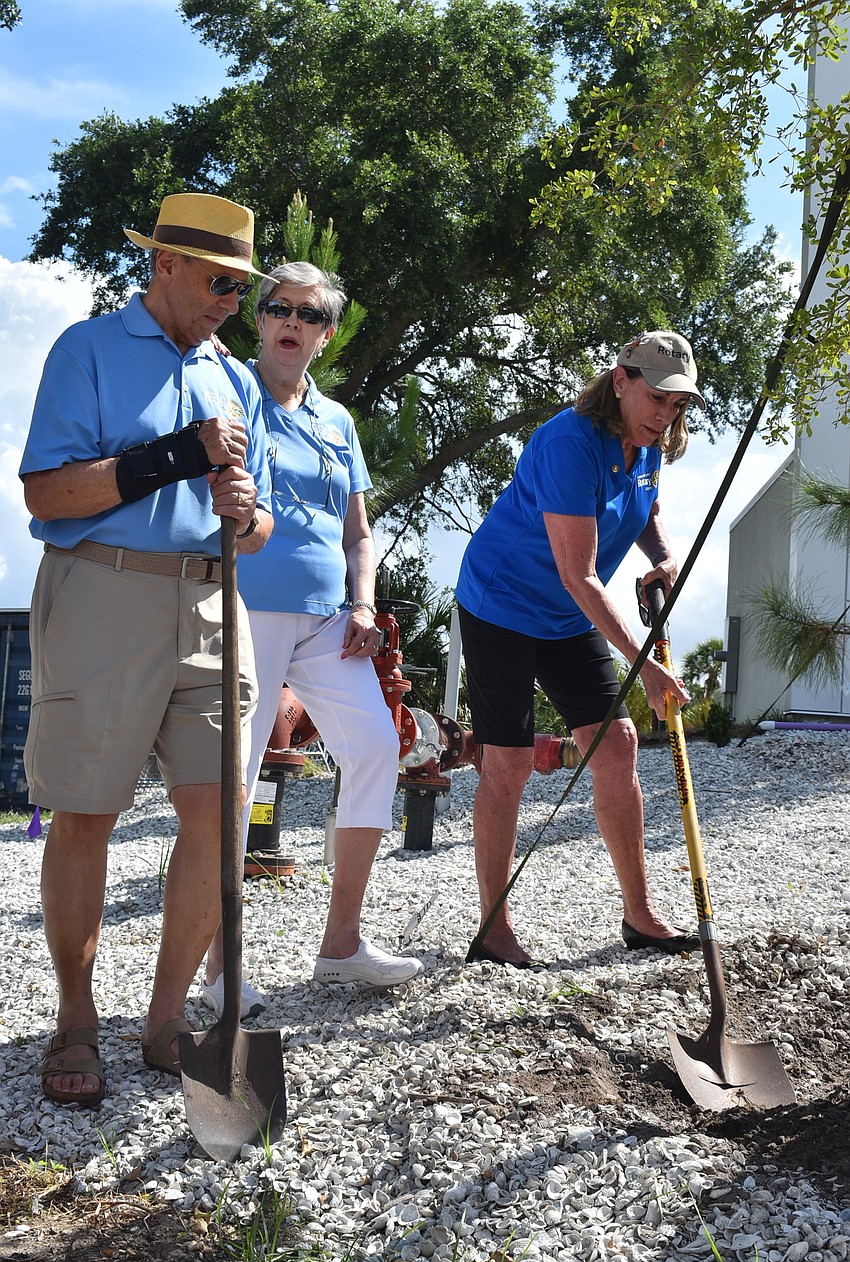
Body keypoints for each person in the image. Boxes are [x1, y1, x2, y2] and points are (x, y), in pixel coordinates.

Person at [20, 192, 274, 1106]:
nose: (230, 302)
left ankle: (166, 1024)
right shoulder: (85, 350)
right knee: (86, 811)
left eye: (241, 288)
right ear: (165, 263)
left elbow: (260, 526)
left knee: (218, 817)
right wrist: (174, 458)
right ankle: (77, 1020)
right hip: (102, 595)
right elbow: (46, 495)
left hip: (213, 605)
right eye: (220, 281)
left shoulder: (236, 377)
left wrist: (247, 518)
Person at [200, 261, 423, 1007]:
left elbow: (359, 532)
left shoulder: (338, 422)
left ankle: (342, 947)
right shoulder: (231, 390)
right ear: (258, 320)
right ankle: (218, 972)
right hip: (247, 609)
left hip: (330, 619)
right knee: (231, 782)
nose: (293, 322)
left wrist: (363, 605)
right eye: (279, 309)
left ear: (328, 335)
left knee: (376, 746)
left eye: (310, 314)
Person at [455, 330, 704, 967]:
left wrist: (663, 556)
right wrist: (644, 664)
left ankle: (640, 914)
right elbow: (580, 574)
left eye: (678, 404)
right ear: (620, 380)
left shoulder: (646, 441)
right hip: (502, 605)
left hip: (567, 619)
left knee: (615, 743)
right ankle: (493, 926)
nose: (665, 414)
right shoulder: (570, 443)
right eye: (657, 398)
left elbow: (641, 508)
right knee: (506, 764)